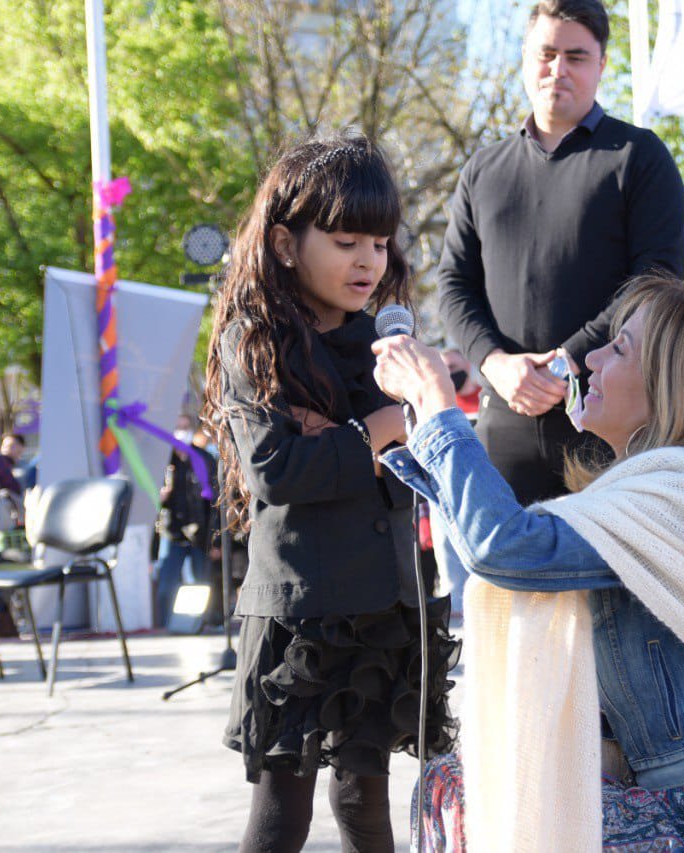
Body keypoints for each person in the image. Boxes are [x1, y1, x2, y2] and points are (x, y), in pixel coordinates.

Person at [374, 277, 684, 850]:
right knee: (465, 789)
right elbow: (499, 552)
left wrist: (436, 404)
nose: (591, 357)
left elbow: (505, 547)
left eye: (619, 348)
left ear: (675, 385)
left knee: (471, 802)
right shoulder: (674, 488)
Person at [201, 132, 458, 853]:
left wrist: (364, 432)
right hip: (301, 611)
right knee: (282, 812)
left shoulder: (382, 339)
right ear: (286, 244)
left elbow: (414, 464)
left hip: (382, 604)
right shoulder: (258, 339)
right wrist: (373, 432)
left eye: (378, 243)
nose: (368, 261)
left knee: (366, 801)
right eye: (346, 240)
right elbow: (278, 469)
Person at [437, 0, 684, 506]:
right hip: (504, 424)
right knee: (504, 584)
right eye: (546, 53)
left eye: (576, 56)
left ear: (602, 65)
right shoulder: (483, 171)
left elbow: (656, 280)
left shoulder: (638, 157)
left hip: (610, 422)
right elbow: (453, 285)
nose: (558, 69)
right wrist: (495, 363)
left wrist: (567, 361)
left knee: (605, 585)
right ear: (525, 59)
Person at [151, 415, 215, 628]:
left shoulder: (203, 458)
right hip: (172, 531)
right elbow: (149, 496)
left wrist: (215, 540)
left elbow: (213, 500)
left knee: (200, 582)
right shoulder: (164, 461)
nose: (181, 432)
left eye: (185, 428)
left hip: (199, 530)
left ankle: (197, 623)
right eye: (177, 428)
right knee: (167, 584)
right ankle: (166, 624)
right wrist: (160, 497)